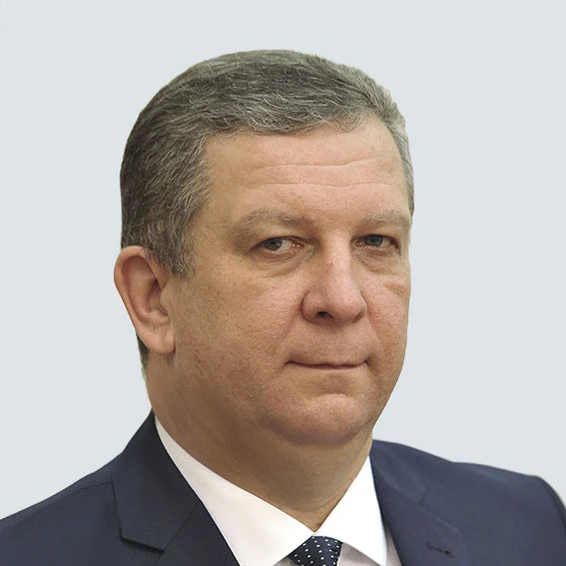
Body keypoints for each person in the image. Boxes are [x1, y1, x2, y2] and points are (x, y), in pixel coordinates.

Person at [0, 50, 564, 566]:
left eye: (375, 242)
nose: (342, 299)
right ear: (153, 299)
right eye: (277, 244)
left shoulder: (530, 527)